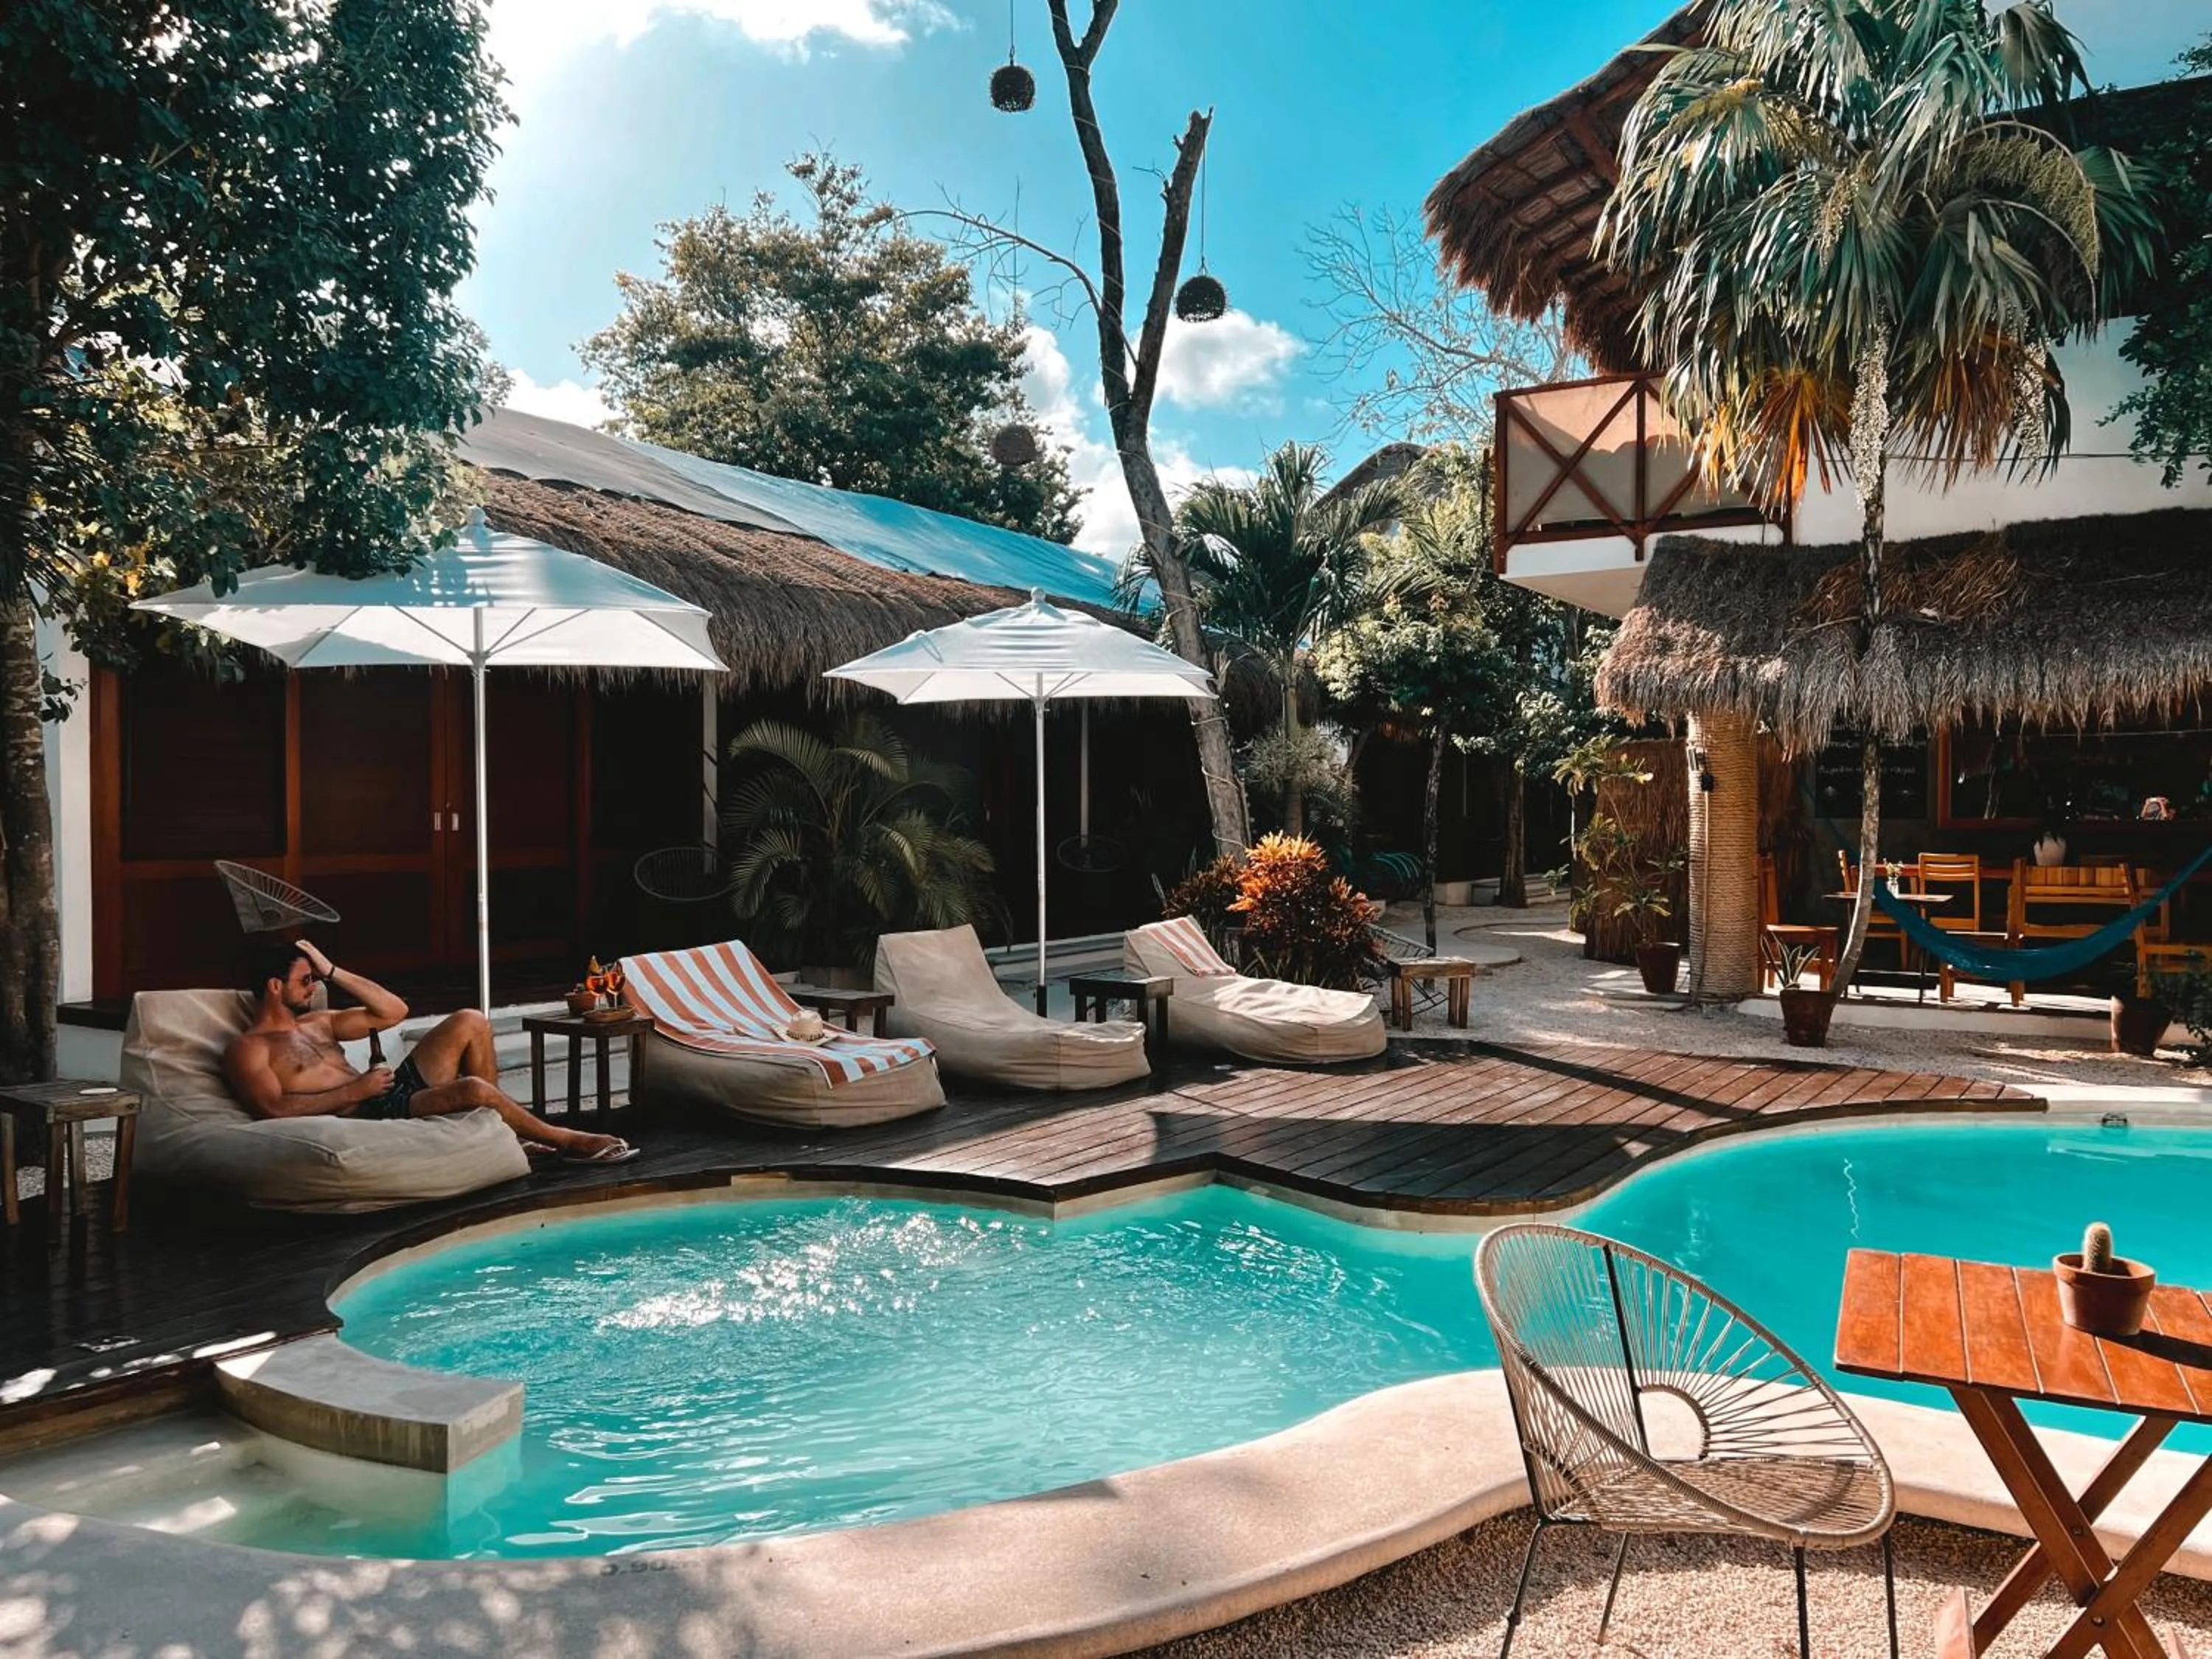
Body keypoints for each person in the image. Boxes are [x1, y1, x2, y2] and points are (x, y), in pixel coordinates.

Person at [222, 939, 636, 1164]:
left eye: (315, 979)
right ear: (275, 987)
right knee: (472, 1088)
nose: (314, 987)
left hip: (387, 1091)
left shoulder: (320, 1021)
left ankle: (502, 1134)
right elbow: (272, 1111)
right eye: (305, 980)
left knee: (471, 1020)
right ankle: (569, 1140)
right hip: (367, 1109)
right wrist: (355, 1092)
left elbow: (395, 1011)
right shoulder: (249, 1049)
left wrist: (333, 970)